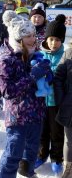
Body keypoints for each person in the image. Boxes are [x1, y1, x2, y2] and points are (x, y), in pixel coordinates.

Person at [0, 10, 52, 178]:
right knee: (13, 155)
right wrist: (33, 75)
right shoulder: (6, 59)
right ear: (18, 38)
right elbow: (7, 91)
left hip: (36, 112)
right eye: (28, 36)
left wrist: (47, 73)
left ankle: (28, 171)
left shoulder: (35, 54)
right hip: (17, 117)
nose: (33, 39)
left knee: (32, 151)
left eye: (33, 35)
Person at [34, 14, 66, 174]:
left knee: (56, 132)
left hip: (56, 102)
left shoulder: (65, 56)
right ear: (46, 38)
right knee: (41, 130)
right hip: (40, 101)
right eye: (51, 39)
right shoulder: (39, 54)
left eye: (58, 40)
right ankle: (41, 154)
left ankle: (57, 158)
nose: (54, 43)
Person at [54, 47, 72, 178]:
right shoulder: (69, 53)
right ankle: (69, 167)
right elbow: (58, 77)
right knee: (70, 141)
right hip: (70, 106)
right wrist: (62, 99)